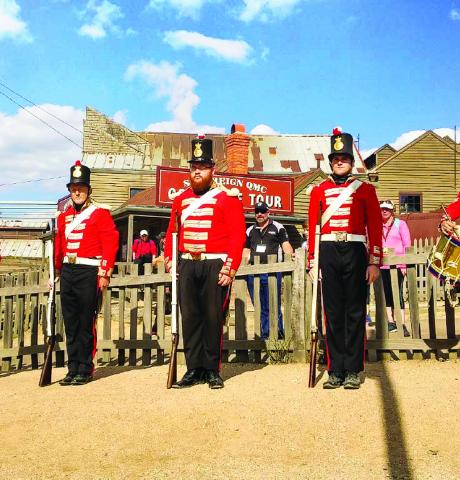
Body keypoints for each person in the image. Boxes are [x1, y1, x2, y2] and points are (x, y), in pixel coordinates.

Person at [164, 135, 246, 389]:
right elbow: (171, 233)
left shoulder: (227, 198)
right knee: (190, 317)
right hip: (188, 264)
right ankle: (193, 369)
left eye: (202, 167)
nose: (197, 172)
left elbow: (237, 234)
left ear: (212, 169)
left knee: (212, 317)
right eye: (193, 167)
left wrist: (230, 267)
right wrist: (170, 260)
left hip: (214, 264)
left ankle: (212, 369)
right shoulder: (180, 199)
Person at [308, 128, 382, 390]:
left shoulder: (365, 190)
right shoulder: (318, 191)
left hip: (355, 251)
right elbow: (313, 226)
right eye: (335, 158)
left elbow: (374, 227)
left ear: (351, 162)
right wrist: (312, 262)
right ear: (330, 162)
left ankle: (352, 369)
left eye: (344, 158)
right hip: (328, 252)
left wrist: (374, 261)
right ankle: (335, 369)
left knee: (354, 311)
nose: (340, 161)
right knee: (333, 313)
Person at [53, 160, 119, 386]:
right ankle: (73, 368)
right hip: (68, 271)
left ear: (88, 190)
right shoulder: (63, 217)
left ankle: (85, 368)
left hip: (88, 271)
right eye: (74, 188)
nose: (77, 191)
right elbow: (59, 245)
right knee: (70, 322)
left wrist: (104, 273)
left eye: (81, 188)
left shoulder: (99, 213)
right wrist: (57, 272)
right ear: (70, 191)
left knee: (85, 320)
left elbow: (111, 242)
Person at [243, 202, 293, 339]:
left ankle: (278, 334)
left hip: (272, 271)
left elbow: (286, 245)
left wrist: (291, 258)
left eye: (262, 211)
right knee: (258, 304)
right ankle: (264, 335)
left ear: (268, 213)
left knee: (273, 302)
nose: (259, 214)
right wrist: (243, 266)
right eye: (257, 211)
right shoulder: (250, 230)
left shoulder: (278, 227)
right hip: (253, 272)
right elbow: (246, 250)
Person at [380, 200, 411, 336]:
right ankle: (391, 322)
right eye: (382, 209)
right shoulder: (377, 224)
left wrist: (404, 264)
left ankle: (402, 323)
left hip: (398, 264)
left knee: (397, 294)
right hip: (383, 265)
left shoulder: (400, 224)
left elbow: (407, 244)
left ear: (392, 210)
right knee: (386, 294)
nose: (384, 211)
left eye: (387, 209)